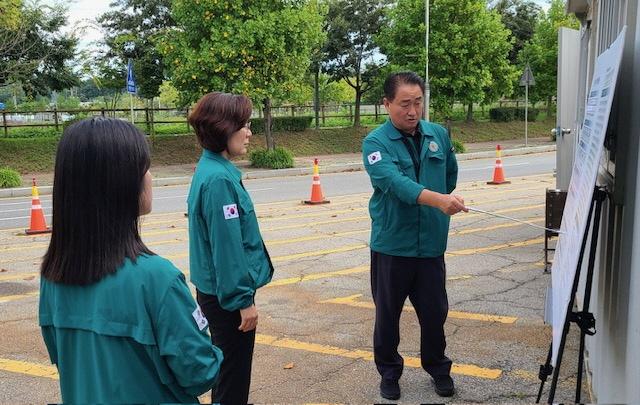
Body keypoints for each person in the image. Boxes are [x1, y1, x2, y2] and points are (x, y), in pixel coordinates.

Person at [39, 117, 223, 403]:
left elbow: (62, 356)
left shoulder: (53, 275)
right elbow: (199, 373)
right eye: (144, 168)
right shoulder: (157, 278)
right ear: (121, 183)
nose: (150, 177)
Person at [361, 72, 467, 400]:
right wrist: (438, 200)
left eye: (418, 102)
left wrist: (441, 199)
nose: (412, 111)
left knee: (435, 314)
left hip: (431, 245)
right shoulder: (375, 143)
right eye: (404, 104)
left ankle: (438, 368)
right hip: (393, 245)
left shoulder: (438, 135)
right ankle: (390, 373)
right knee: (388, 316)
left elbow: (449, 173)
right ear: (386, 104)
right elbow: (393, 182)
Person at [187, 92, 274, 404]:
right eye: (244, 125)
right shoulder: (219, 180)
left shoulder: (213, 170)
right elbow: (227, 248)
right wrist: (242, 300)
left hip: (218, 292)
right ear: (223, 128)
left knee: (228, 374)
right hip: (227, 299)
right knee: (233, 378)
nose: (249, 133)